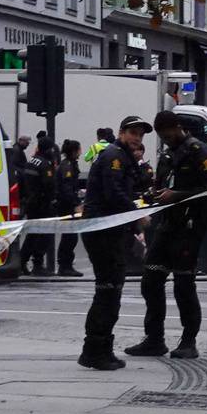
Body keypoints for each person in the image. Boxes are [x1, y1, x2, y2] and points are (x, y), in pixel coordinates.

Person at [126, 110, 207, 361]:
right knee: (151, 280)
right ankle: (154, 338)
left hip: (189, 227)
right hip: (166, 225)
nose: (166, 140)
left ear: (177, 128)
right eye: (162, 137)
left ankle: (189, 341)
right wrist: (153, 194)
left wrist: (175, 196)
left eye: (168, 135)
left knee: (183, 284)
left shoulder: (200, 152)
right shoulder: (167, 154)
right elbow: (161, 184)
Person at [77, 115, 150, 371]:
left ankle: (100, 348)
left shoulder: (124, 158)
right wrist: (137, 214)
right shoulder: (114, 157)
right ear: (121, 133)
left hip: (111, 231)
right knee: (108, 291)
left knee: (110, 290)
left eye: (140, 135)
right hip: (103, 232)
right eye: (133, 133)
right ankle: (96, 350)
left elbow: (126, 191)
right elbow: (114, 194)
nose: (137, 139)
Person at [20, 136, 57, 275]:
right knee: (43, 235)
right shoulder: (45, 164)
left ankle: (22, 261)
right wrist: (52, 201)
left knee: (32, 235)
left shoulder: (31, 161)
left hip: (31, 203)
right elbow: (48, 185)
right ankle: (38, 264)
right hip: (43, 205)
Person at [54, 139, 84, 277]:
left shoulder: (70, 164)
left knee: (70, 236)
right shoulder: (67, 166)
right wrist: (76, 205)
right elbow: (67, 189)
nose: (81, 152)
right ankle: (64, 266)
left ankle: (66, 265)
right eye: (79, 149)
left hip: (67, 205)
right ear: (74, 151)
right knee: (69, 237)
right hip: (67, 207)